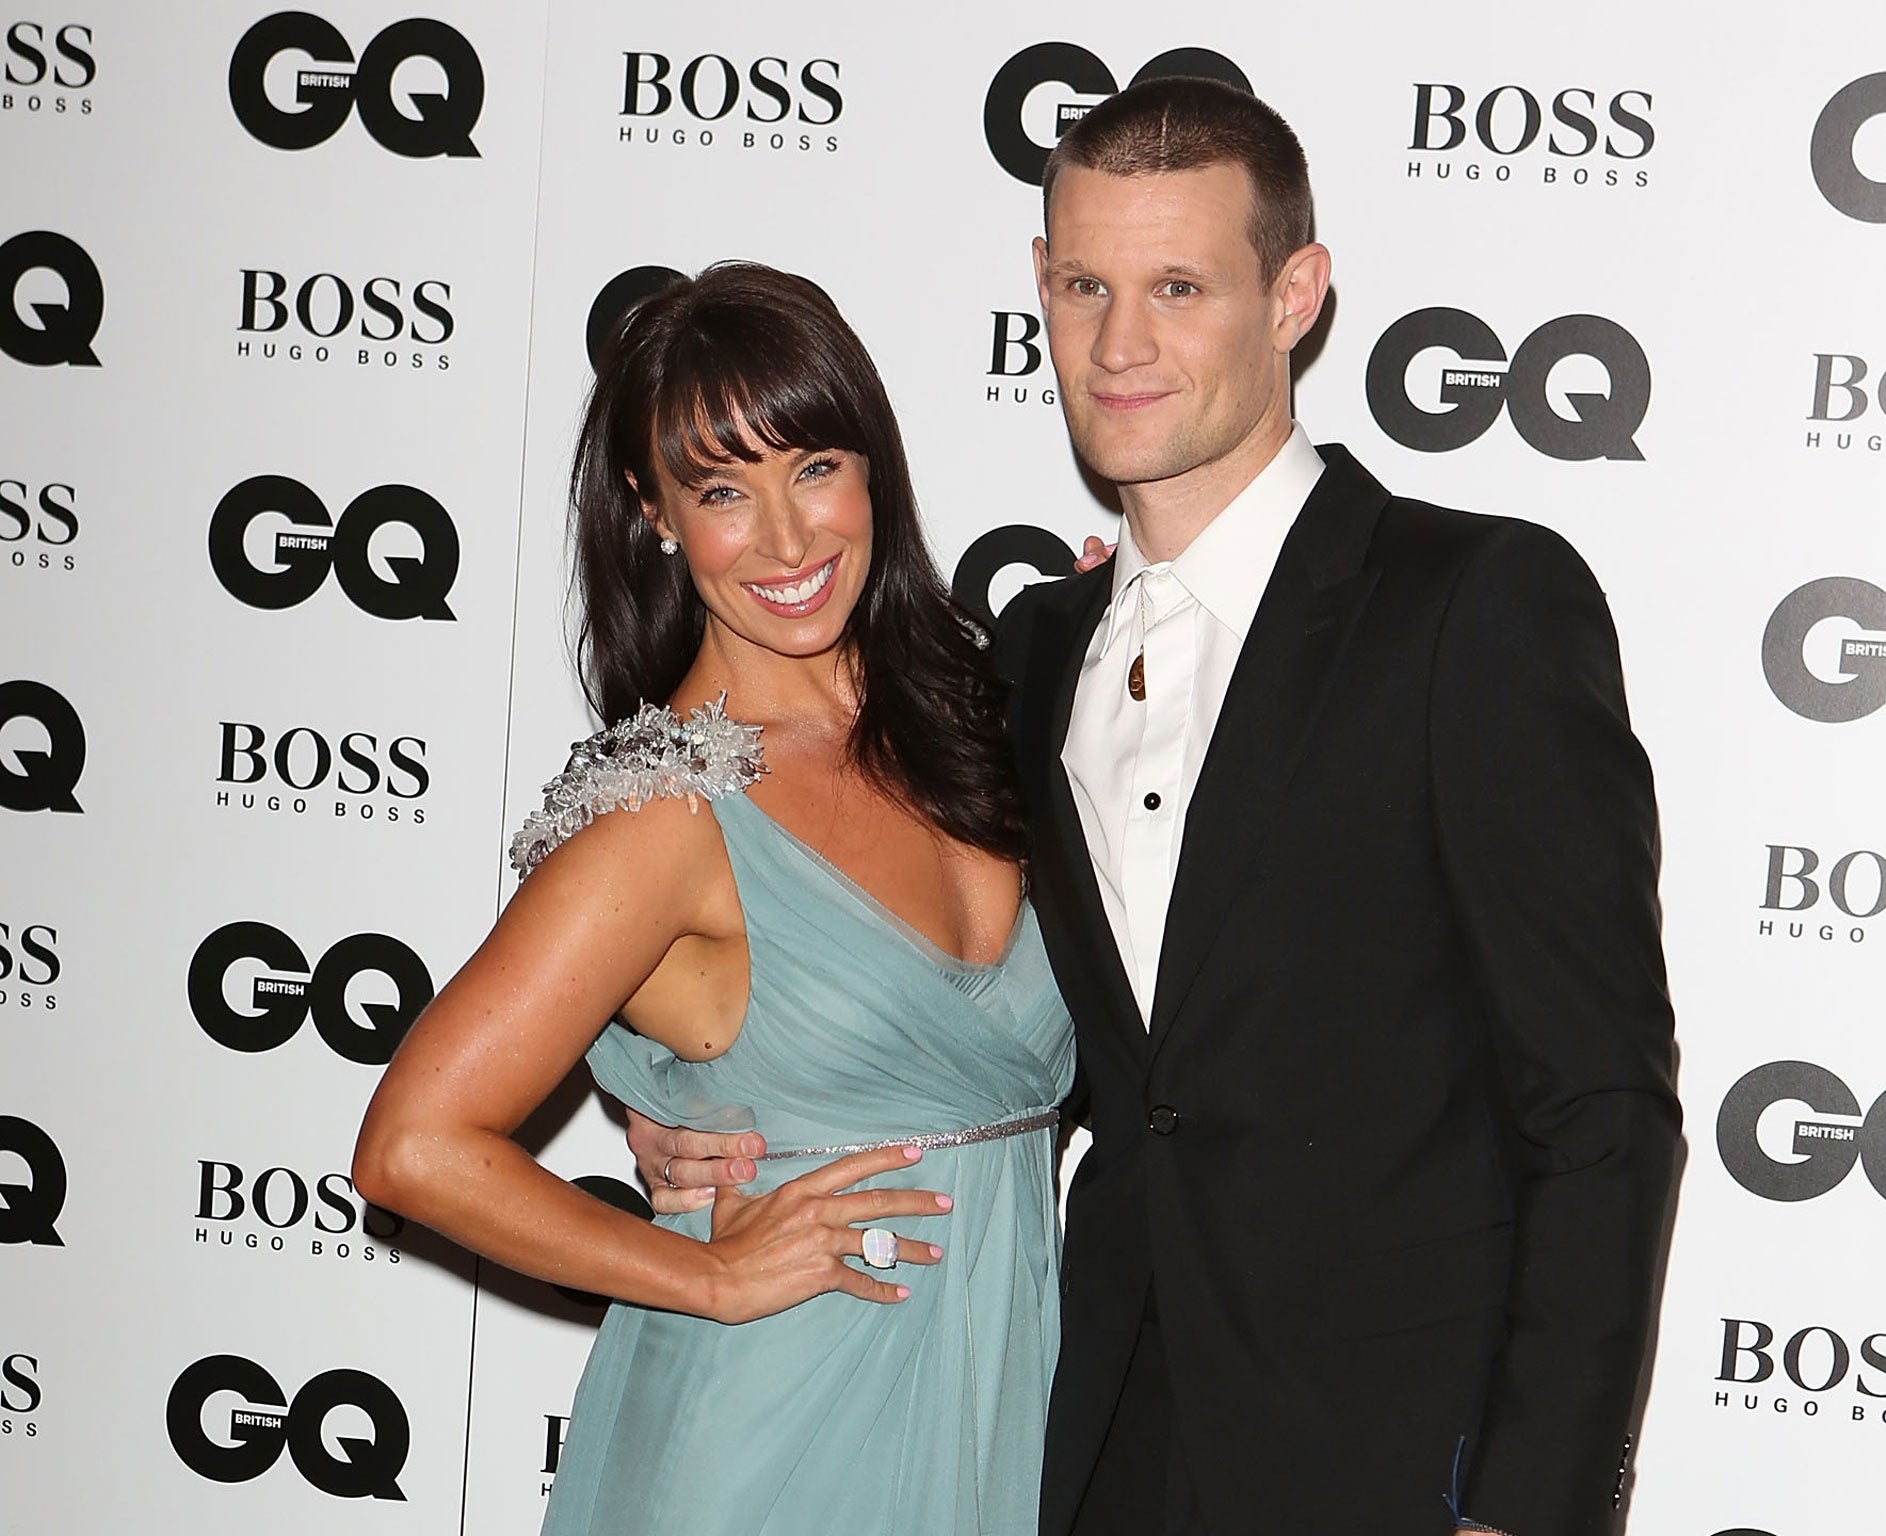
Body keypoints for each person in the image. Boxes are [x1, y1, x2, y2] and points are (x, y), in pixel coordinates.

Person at [631, 77, 1682, 1536]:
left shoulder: (1475, 607)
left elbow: (1601, 1105)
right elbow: (978, 1020)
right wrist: (718, 1118)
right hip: (1098, 1436)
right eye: (1084, 285)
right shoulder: (1025, 654)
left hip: (1397, 1465)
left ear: (1294, 294)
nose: (1119, 345)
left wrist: (1532, 1501)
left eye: (1179, 286)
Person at [353, 262, 1074, 1536]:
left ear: (871, 470)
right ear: (656, 515)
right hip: (770, 1426)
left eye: (813, 469)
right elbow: (414, 1147)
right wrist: (702, 1272)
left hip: (995, 1401)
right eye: (723, 492)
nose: (789, 541)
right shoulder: (663, 813)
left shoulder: (985, 714)